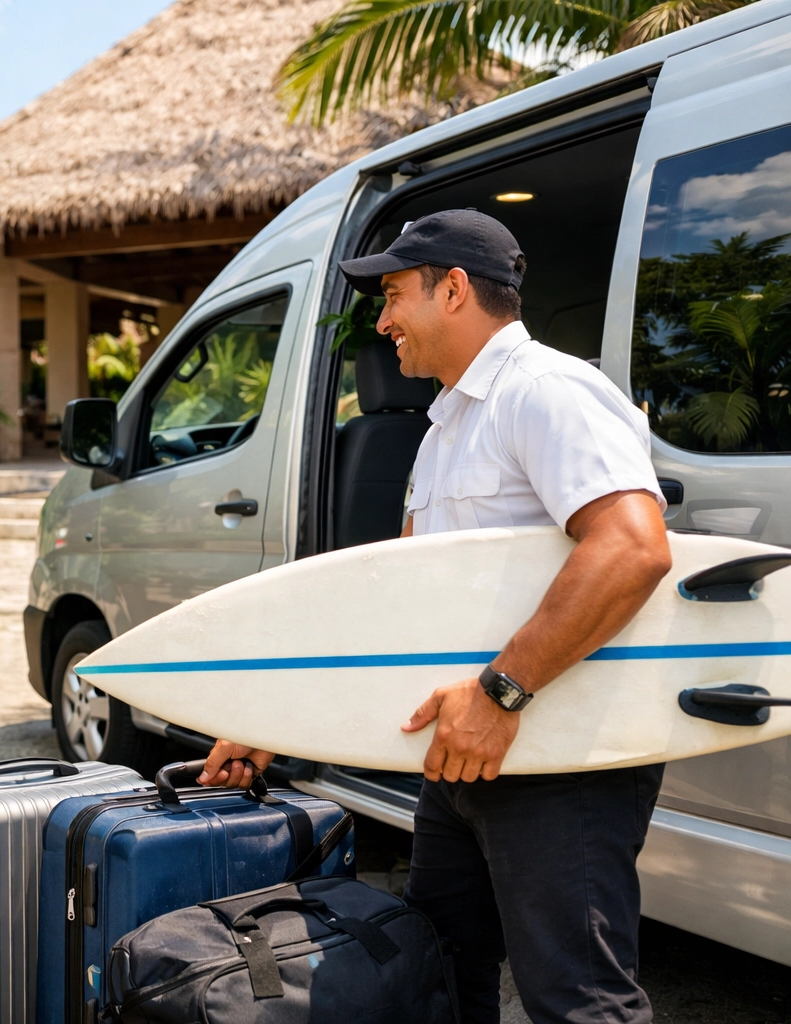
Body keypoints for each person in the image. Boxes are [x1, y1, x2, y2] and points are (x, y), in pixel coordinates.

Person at [201, 210, 672, 1024]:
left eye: (392, 295)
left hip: (556, 761)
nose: (382, 321)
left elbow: (631, 548)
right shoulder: (447, 425)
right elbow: (400, 602)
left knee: (579, 1000)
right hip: (460, 758)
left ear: (453, 290)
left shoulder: (545, 392)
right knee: (442, 973)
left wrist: (500, 694)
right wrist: (276, 715)